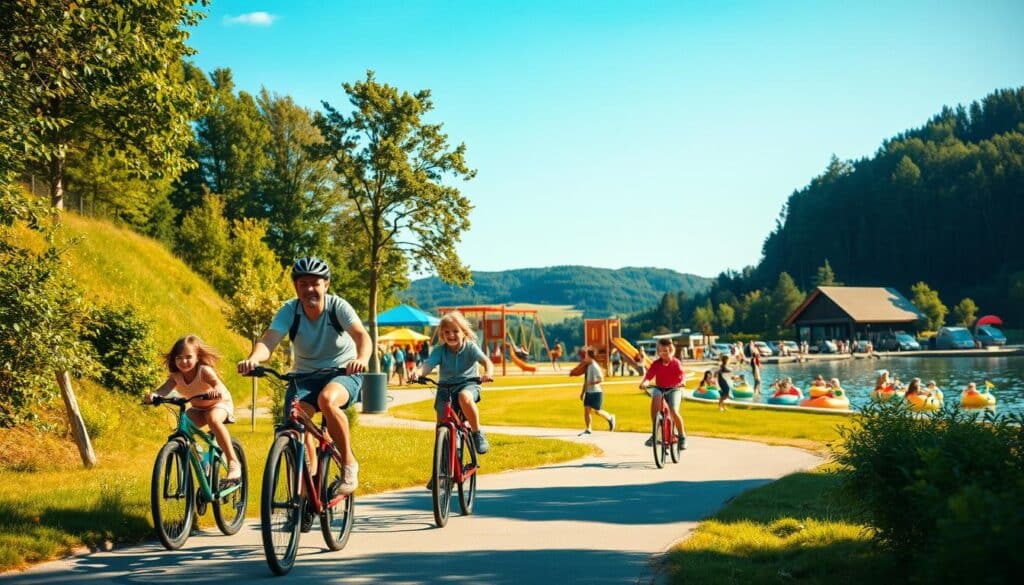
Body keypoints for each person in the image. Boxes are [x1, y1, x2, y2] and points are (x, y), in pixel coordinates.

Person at [237, 257, 370, 495]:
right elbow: (269, 339)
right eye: (303, 283)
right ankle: (304, 496)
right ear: (296, 287)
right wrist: (254, 359)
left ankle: (349, 464)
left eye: (315, 283)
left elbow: (362, 336)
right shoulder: (290, 310)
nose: (309, 288)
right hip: (305, 376)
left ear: (326, 285)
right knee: (296, 421)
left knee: (327, 400)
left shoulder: (338, 307)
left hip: (342, 372)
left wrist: (360, 359)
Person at [148, 335, 241, 481]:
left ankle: (233, 462)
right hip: (198, 408)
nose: (184, 362)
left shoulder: (204, 371)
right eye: (179, 358)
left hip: (219, 403)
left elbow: (216, 384)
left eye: (188, 357)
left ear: (198, 357)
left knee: (213, 419)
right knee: (183, 427)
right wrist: (154, 395)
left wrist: (214, 391)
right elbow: (164, 389)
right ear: (174, 359)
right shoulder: (176, 376)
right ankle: (201, 459)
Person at [413, 310, 494, 456]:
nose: (450, 335)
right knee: (441, 427)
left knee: (464, 397)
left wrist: (488, 373)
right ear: (442, 335)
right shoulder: (440, 351)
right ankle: (440, 473)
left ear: (464, 332)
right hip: (445, 387)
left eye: (455, 331)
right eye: (446, 332)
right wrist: (418, 373)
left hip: (468, 384)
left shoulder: (470, 347)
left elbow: (486, 361)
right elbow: (428, 365)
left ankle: (477, 433)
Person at [640, 338, 687, 448]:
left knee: (674, 411)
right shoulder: (656, 364)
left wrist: (682, 382)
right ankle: (656, 433)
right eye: (660, 351)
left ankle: (682, 436)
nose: (662, 353)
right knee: (655, 398)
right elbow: (649, 376)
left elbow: (682, 375)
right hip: (660, 388)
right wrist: (645, 383)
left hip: (675, 389)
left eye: (665, 351)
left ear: (670, 350)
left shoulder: (675, 363)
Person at [576, 346, 615, 436]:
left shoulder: (595, 366)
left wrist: (591, 383)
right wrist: (582, 392)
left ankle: (610, 418)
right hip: (589, 392)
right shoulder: (588, 366)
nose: (584, 357)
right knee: (586, 410)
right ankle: (588, 429)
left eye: (586, 356)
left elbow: (601, 379)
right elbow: (585, 381)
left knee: (597, 411)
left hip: (596, 393)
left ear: (590, 356)